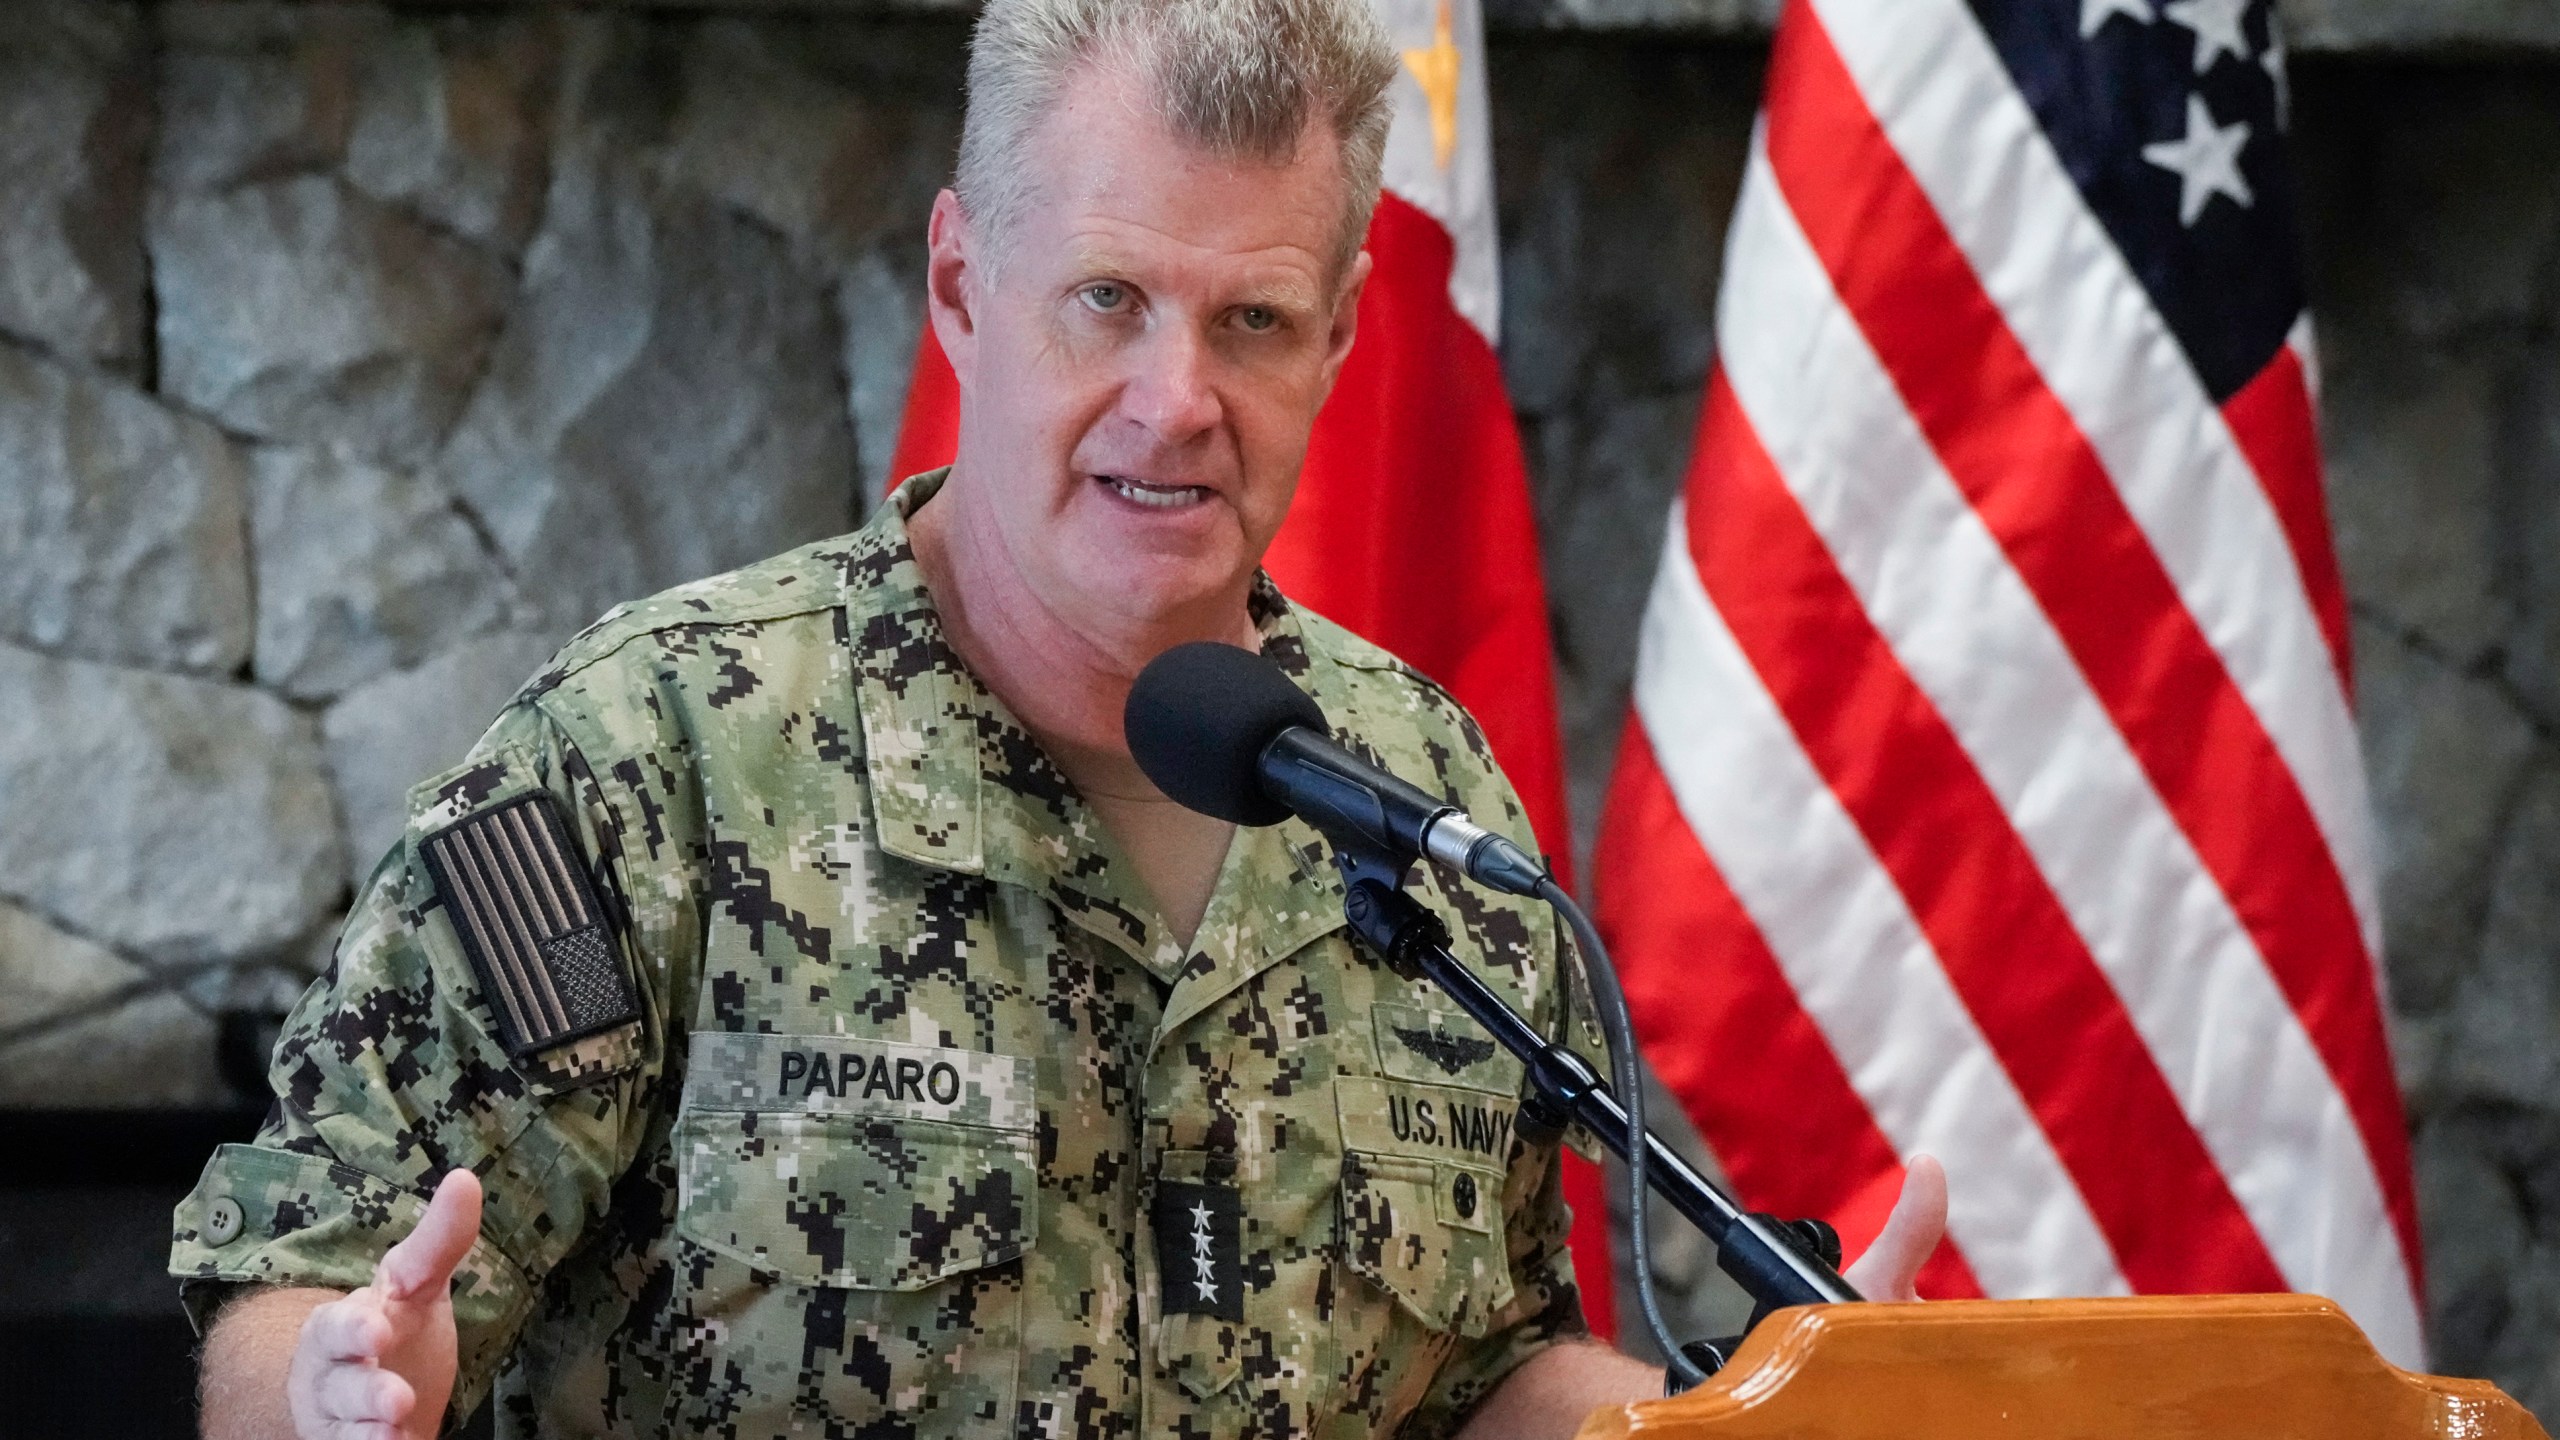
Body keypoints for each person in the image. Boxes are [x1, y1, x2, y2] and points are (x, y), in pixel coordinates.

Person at [173, 0, 1946, 1433]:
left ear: (1339, 336)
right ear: (962, 288)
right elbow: (309, 1279)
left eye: (1253, 321)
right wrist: (331, 1392)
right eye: (1110, 300)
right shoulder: (646, 758)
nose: (1177, 400)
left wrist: (1756, 1424)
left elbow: (1485, 1374)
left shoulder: (1417, 794)